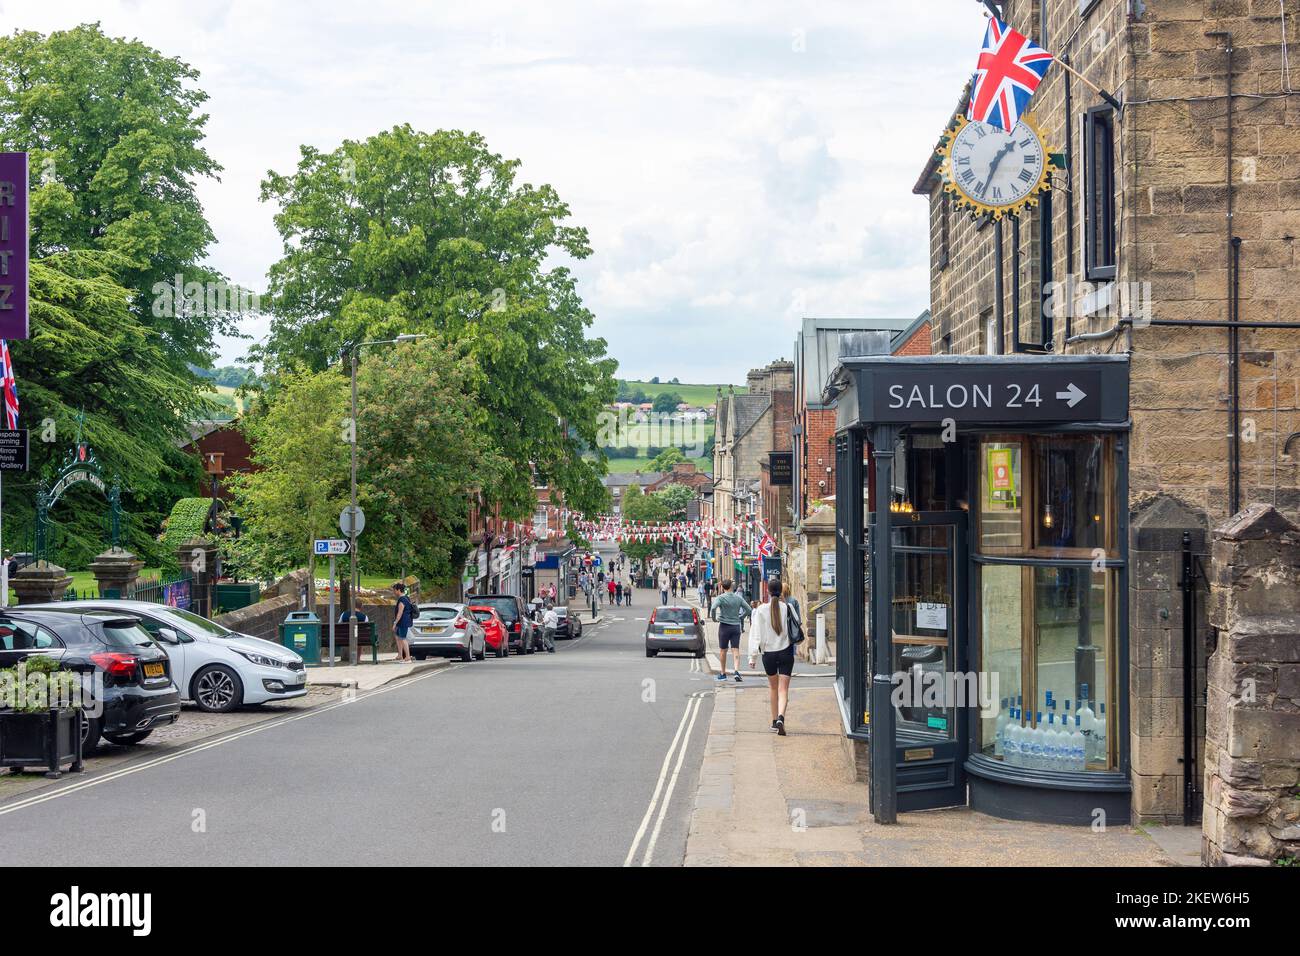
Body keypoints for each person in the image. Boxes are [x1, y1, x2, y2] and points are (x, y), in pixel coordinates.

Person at [747, 579, 795, 735]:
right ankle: (781, 717)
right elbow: (797, 625)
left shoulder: (761, 610)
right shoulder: (788, 607)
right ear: (781, 591)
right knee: (783, 689)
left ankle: (775, 722)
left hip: (769, 654)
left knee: (773, 688)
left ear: (767, 591)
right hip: (786, 651)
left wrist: (752, 657)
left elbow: (756, 635)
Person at [709, 579, 752, 684]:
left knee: (723, 650)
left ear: (723, 588)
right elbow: (749, 609)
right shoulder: (738, 598)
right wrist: (741, 617)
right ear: (732, 587)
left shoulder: (721, 598)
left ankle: (723, 673)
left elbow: (713, 608)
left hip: (724, 626)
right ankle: (736, 671)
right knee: (735, 649)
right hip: (736, 626)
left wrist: (714, 619)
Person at [391, 583, 416, 663]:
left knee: (403, 638)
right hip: (403, 621)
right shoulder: (406, 598)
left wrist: (395, 623)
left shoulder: (402, 600)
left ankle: (408, 657)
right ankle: (400, 655)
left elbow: (400, 612)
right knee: (398, 636)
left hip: (403, 622)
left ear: (398, 590)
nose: (393, 592)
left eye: (394, 590)